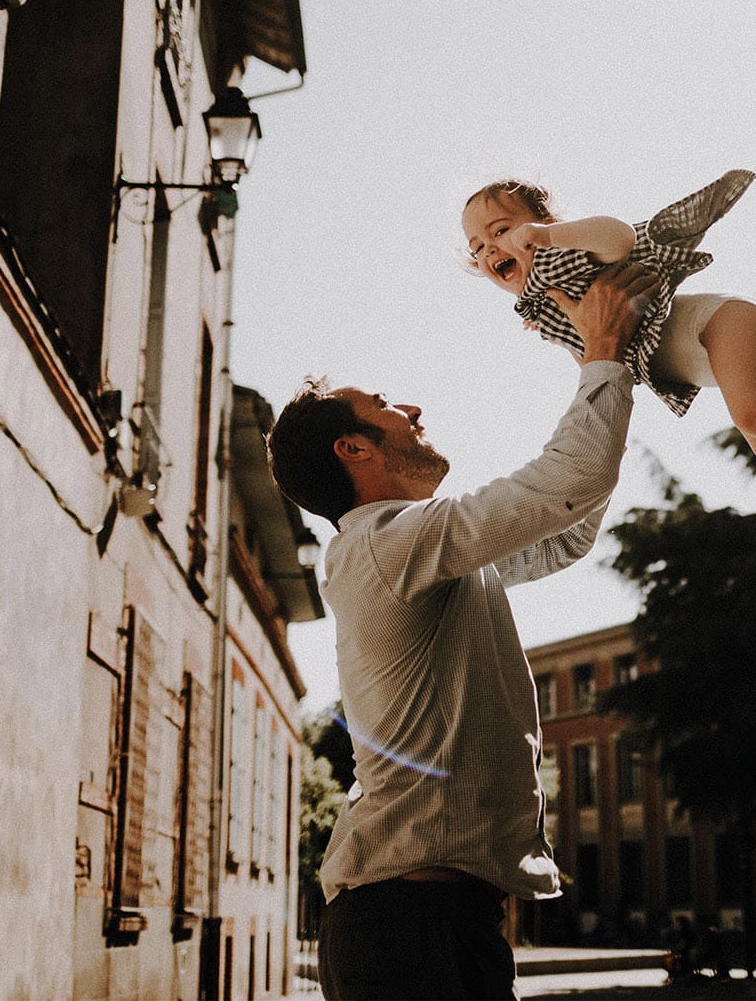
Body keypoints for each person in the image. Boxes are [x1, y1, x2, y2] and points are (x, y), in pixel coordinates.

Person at [266, 263, 661, 1000]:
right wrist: (604, 353)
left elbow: (563, 528)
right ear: (353, 449)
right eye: (383, 405)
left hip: (431, 914)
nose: (410, 406)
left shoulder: (415, 551)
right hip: (408, 921)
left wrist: (612, 364)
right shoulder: (387, 541)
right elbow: (562, 483)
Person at [461, 170, 756, 534]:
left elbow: (620, 236)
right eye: (477, 246)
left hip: (721, 323)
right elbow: (601, 364)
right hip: (710, 356)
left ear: (542, 221)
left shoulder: (566, 251)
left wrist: (549, 237)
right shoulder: (544, 311)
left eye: (501, 229)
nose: (490, 249)